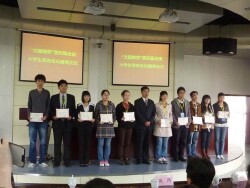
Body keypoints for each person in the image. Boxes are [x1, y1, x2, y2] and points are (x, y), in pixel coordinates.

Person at [50, 79, 76, 167]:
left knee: (67, 144)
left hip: (67, 124)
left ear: (67, 87)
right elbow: (50, 110)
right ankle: (57, 161)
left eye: (65, 86)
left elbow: (74, 110)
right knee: (57, 143)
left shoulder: (71, 97)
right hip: (57, 123)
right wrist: (53, 116)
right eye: (62, 86)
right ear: (58, 87)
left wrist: (71, 116)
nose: (63, 87)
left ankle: (67, 161)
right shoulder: (53, 97)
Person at [27, 74, 50, 168]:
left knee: (43, 141)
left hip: (43, 121)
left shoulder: (47, 93)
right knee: (32, 141)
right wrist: (29, 116)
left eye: (42, 81)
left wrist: (46, 116)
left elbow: (48, 106)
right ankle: (32, 161)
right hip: (32, 121)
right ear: (36, 82)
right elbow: (29, 105)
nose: (40, 83)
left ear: (44, 82)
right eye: (38, 81)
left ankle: (42, 161)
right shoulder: (31, 92)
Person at [134, 86, 156, 164]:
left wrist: (150, 121)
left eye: (148, 91)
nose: (146, 93)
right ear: (141, 92)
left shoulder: (151, 102)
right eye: (145, 91)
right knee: (140, 143)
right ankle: (139, 159)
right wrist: (144, 121)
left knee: (147, 143)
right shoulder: (137, 101)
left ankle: (146, 159)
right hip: (140, 125)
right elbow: (137, 113)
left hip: (149, 126)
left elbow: (154, 113)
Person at [95, 90, 116, 167]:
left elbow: (114, 115)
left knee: (108, 144)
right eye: (104, 95)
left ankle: (106, 159)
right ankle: (101, 160)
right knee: (100, 144)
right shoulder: (98, 104)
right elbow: (95, 115)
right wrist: (98, 121)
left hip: (109, 127)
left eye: (107, 95)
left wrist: (112, 121)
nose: (106, 96)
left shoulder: (112, 104)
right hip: (101, 127)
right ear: (102, 96)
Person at [171, 87, 191, 162]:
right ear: (178, 94)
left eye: (183, 93)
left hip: (185, 125)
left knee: (183, 141)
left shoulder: (187, 102)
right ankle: (175, 156)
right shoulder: (173, 102)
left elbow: (189, 113)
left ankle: (181, 156)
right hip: (177, 125)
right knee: (176, 141)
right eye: (180, 93)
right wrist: (176, 122)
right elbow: (172, 113)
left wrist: (189, 121)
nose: (182, 94)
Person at [115, 90, 135, 165]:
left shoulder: (132, 105)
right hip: (122, 126)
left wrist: (133, 119)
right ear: (122, 96)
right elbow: (117, 116)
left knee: (127, 142)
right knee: (121, 142)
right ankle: (120, 158)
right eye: (126, 95)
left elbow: (134, 116)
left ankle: (126, 157)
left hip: (129, 127)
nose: (127, 96)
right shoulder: (119, 106)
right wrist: (121, 118)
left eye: (128, 95)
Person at [76, 91, 95, 167]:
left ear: (90, 97)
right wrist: (77, 119)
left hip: (89, 127)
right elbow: (76, 115)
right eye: (85, 96)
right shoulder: (79, 105)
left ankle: (86, 160)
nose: (86, 97)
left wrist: (94, 119)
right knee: (81, 144)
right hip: (81, 127)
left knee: (87, 144)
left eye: (88, 96)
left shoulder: (93, 106)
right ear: (82, 97)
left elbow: (95, 116)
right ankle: (81, 161)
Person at [153, 91, 173, 164]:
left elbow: (171, 115)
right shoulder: (156, 105)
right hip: (159, 126)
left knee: (165, 143)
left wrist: (171, 121)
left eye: (166, 96)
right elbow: (154, 115)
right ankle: (158, 157)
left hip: (167, 126)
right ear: (161, 96)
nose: (165, 97)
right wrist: (157, 120)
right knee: (159, 143)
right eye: (163, 96)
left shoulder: (169, 105)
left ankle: (164, 157)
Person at [213, 92, 230, 160]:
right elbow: (211, 114)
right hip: (217, 124)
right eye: (220, 97)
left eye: (223, 97)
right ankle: (217, 154)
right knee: (217, 139)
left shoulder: (226, 104)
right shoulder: (214, 105)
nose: (222, 98)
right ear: (218, 97)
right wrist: (215, 115)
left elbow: (229, 113)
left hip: (224, 124)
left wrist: (228, 115)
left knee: (222, 139)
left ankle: (221, 153)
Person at [187, 91, 202, 158]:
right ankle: (189, 153)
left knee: (195, 140)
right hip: (191, 124)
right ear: (191, 96)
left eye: (196, 95)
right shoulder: (188, 104)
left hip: (197, 125)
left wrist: (201, 121)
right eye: (194, 95)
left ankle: (193, 152)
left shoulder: (199, 104)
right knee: (190, 140)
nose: (195, 97)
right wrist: (190, 120)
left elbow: (200, 114)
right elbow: (187, 114)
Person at [200, 95, 214, 160]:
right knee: (204, 140)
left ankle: (207, 153)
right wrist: (202, 124)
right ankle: (203, 154)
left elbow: (213, 116)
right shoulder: (201, 106)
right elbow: (199, 116)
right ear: (203, 100)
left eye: (209, 99)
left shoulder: (211, 107)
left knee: (208, 141)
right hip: (204, 126)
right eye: (206, 99)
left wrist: (212, 123)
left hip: (210, 126)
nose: (208, 100)